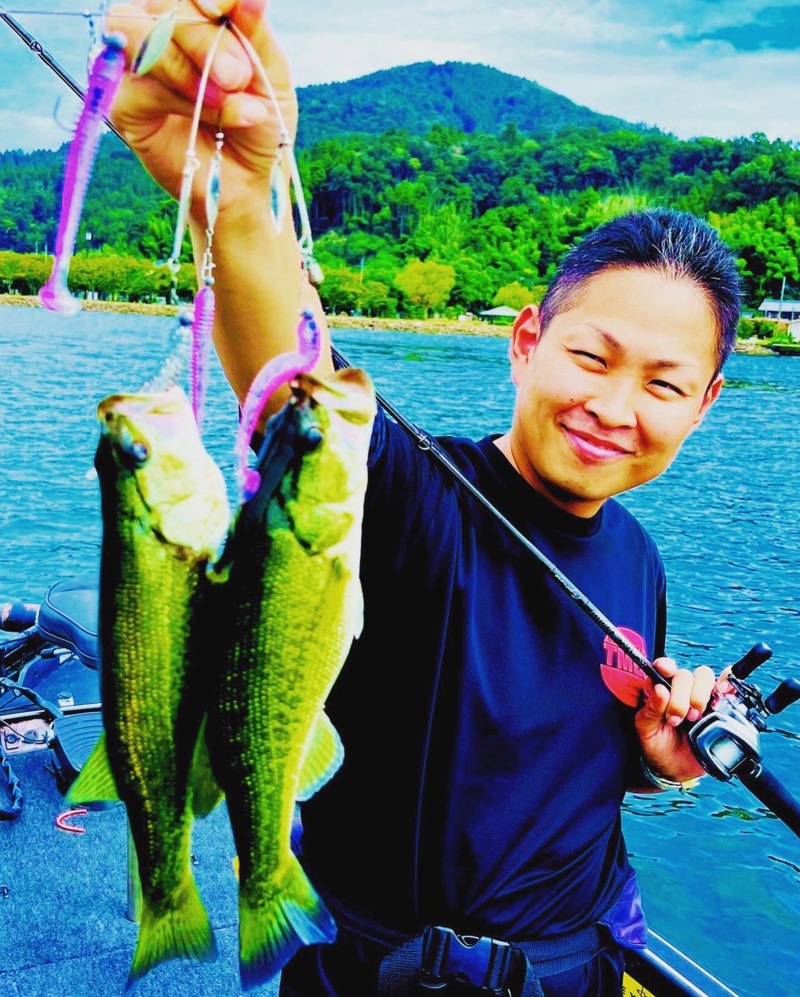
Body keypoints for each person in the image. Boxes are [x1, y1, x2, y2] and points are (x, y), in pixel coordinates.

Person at [104, 2, 741, 994]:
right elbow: (289, 368)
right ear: (525, 341)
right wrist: (235, 199)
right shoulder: (402, 485)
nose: (614, 406)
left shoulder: (637, 557)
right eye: (588, 355)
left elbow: (557, 756)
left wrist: (655, 755)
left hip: (572, 963)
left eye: (662, 384)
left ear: (700, 407)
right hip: (375, 963)